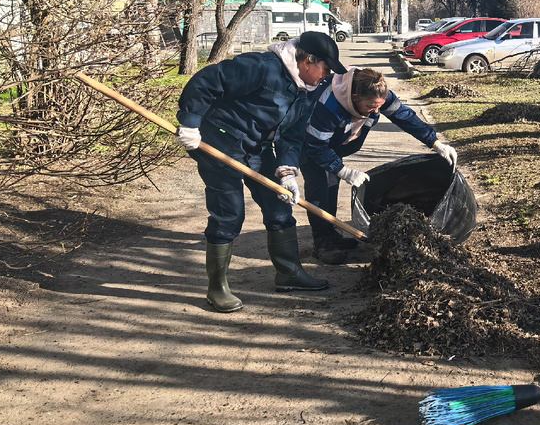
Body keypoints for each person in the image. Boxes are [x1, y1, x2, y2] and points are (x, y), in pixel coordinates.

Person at [176, 30, 344, 312]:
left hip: (257, 148)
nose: (327, 76)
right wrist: (191, 122)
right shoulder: (262, 66)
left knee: (279, 206)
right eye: (325, 68)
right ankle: (217, 288)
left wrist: (287, 171)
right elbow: (207, 81)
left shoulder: (308, 91)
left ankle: (289, 273)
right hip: (219, 141)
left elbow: (292, 135)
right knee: (229, 214)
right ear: (308, 61)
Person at [301, 66, 458, 263]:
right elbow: (315, 146)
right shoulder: (329, 105)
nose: (376, 111)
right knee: (319, 187)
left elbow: (404, 116)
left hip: (333, 143)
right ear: (355, 98)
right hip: (306, 142)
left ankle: (330, 234)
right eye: (371, 107)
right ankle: (322, 242)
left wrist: (434, 142)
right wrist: (343, 170)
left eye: (379, 106)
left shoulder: (377, 93)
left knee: (331, 185)